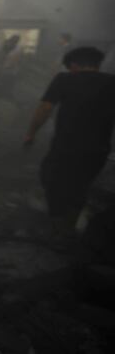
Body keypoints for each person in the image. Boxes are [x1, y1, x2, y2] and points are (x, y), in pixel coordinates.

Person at [24, 47, 115, 234]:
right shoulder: (112, 82)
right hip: (98, 149)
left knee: (51, 178)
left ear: (73, 65)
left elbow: (45, 108)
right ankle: (69, 226)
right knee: (80, 186)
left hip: (66, 146)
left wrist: (31, 133)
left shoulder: (64, 79)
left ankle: (58, 227)